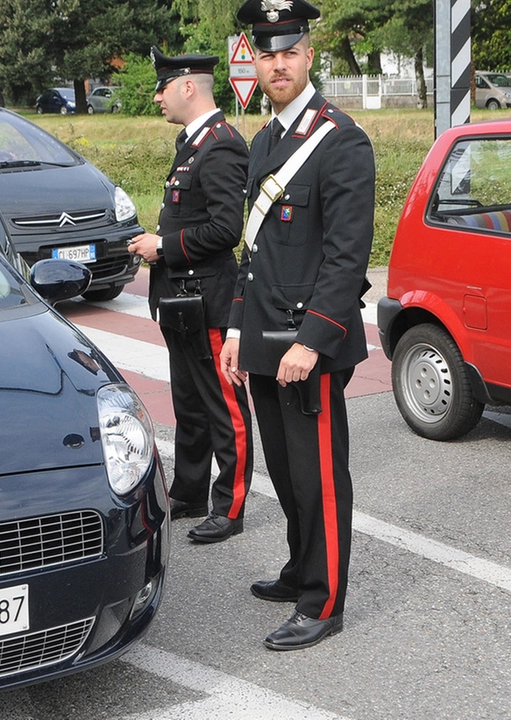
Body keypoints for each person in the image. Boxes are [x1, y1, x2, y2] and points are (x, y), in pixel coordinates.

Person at [219, 0, 375, 650]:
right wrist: (233, 328)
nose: (277, 63)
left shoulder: (341, 140)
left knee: (318, 478)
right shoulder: (263, 142)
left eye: (289, 51)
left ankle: (324, 600)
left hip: (305, 347)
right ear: (254, 60)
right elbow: (249, 252)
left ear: (309, 54)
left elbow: (347, 257)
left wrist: (312, 342)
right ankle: (297, 566)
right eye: (266, 53)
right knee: (283, 473)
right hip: (262, 340)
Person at [128, 47, 253, 544]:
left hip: (209, 299)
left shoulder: (220, 145)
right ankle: (190, 491)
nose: (157, 96)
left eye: (162, 87)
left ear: (187, 86)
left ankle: (232, 504)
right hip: (182, 300)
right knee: (189, 403)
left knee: (225, 406)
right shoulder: (193, 143)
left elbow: (227, 230)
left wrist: (164, 246)